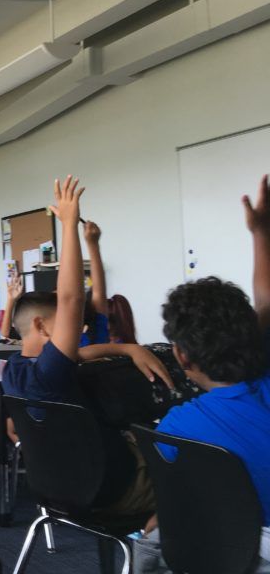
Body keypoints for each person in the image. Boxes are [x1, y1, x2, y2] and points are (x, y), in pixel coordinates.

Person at [3, 177, 173, 517]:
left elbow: (81, 352)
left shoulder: (14, 370)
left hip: (56, 489)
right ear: (41, 326)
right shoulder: (49, 375)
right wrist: (68, 224)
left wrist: (127, 349)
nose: (75, 324)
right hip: (110, 491)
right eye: (64, 321)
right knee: (197, 471)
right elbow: (72, 299)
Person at [134, 175, 270, 573]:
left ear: (181, 356)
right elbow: (266, 304)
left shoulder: (174, 428)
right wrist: (260, 234)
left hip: (223, 551)